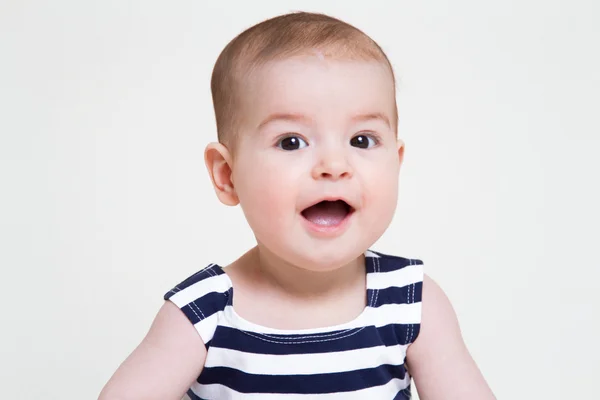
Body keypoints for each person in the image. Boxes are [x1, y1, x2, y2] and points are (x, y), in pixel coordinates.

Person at [99, 11, 495, 400]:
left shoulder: (410, 303)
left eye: (362, 140)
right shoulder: (205, 314)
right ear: (227, 174)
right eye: (291, 142)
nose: (334, 166)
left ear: (396, 159)